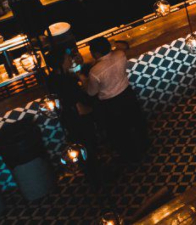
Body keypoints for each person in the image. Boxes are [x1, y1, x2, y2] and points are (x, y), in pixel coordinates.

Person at [82, 37, 149, 162]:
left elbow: (92, 92)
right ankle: (145, 147)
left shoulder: (95, 71)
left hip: (111, 104)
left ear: (96, 53)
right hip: (127, 94)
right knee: (136, 122)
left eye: (91, 51)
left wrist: (83, 80)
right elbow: (121, 47)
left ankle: (130, 158)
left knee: (120, 132)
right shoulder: (120, 55)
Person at [46, 43, 99, 176]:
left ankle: (92, 175)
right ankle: (97, 177)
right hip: (79, 120)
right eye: (67, 58)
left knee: (81, 149)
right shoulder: (67, 82)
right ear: (61, 62)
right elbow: (80, 106)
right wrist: (94, 110)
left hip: (68, 120)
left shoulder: (51, 79)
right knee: (89, 148)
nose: (70, 59)